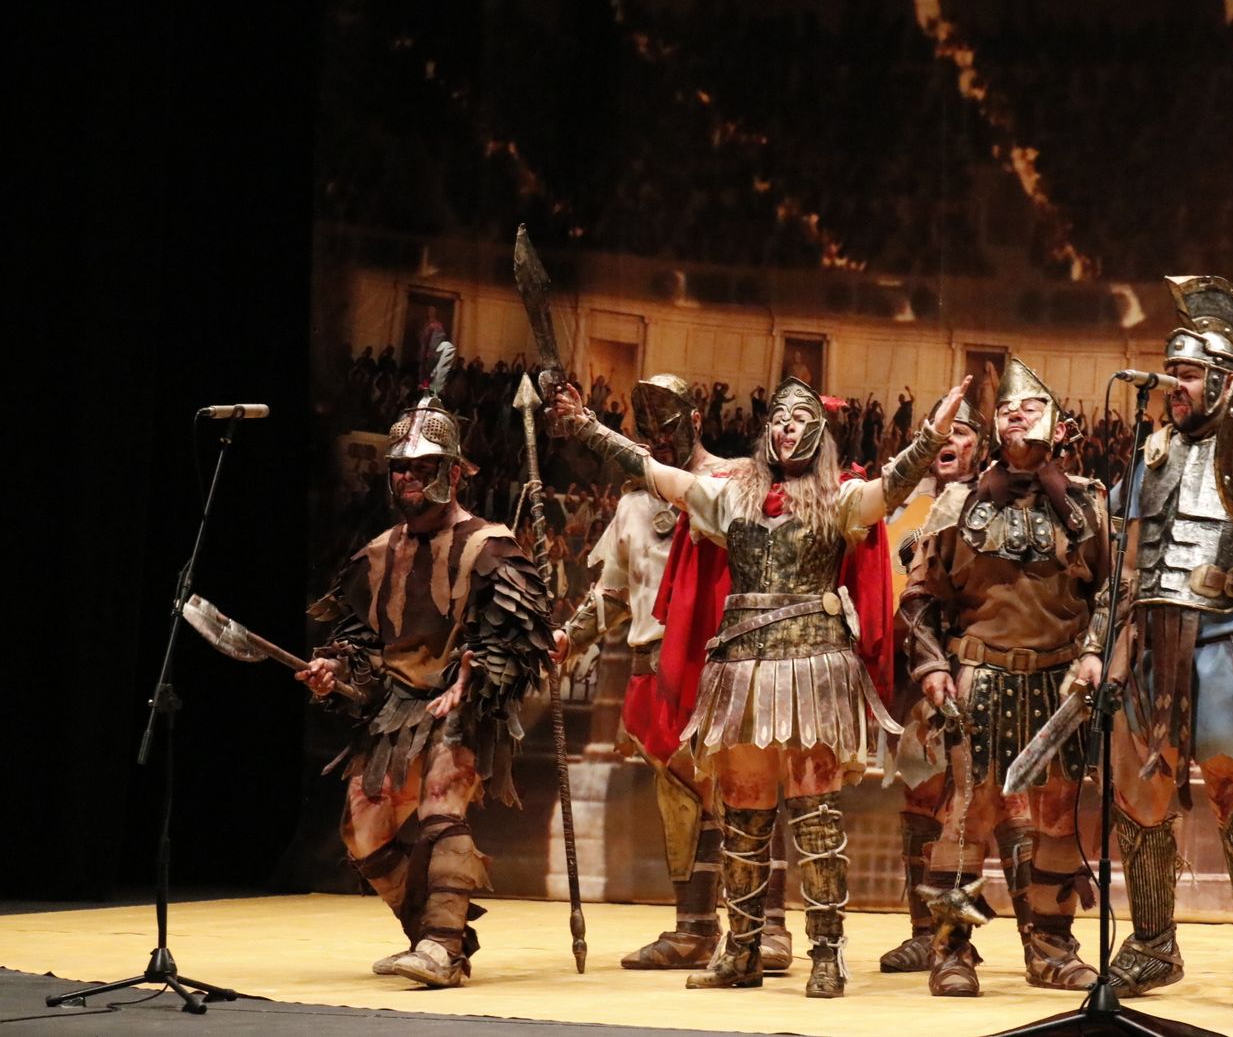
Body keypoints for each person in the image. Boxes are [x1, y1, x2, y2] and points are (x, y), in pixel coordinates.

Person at [551, 372, 971, 997]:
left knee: (815, 817)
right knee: (744, 817)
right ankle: (742, 951)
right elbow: (652, 471)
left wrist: (931, 433)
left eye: (798, 420)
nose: (785, 427)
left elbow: (893, 486)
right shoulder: (729, 497)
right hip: (742, 672)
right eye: (778, 419)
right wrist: (588, 428)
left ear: (819, 433)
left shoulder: (841, 500)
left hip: (814, 672)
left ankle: (825, 955)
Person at [297, 397, 552, 988]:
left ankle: (441, 946)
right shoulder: (378, 553)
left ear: (454, 473)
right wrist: (336, 667)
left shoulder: (488, 546)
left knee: (441, 804)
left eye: (423, 467)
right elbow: (362, 641)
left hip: (464, 702)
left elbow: (519, 637)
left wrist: (473, 676)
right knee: (363, 831)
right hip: (399, 710)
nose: (408, 477)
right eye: (400, 468)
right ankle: (438, 938)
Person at [550, 374, 793, 973]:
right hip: (654, 670)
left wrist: (587, 427)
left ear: (694, 422)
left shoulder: (737, 479)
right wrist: (569, 635)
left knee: (746, 790)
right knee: (683, 800)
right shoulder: (633, 503)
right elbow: (613, 593)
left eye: (668, 428)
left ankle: (768, 927)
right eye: (648, 432)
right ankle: (694, 929)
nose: (658, 440)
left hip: (723, 661)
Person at [1105, 276, 1233, 1012]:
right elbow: (1127, 563)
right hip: (1151, 645)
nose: (1171, 386)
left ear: (1221, 379)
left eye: (1186, 373)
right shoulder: (1152, 455)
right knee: (1141, 799)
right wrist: (1104, 647)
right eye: (1170, 371)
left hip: (1226, 642)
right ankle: (1153, 945)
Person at [900, 360, 1110, 995]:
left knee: (1058, 817)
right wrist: (933, 667)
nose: (1017, 415)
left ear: (1060, 426)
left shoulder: (1088, 501)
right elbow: (919, 598)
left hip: (1061, 685)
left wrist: (1094, 651)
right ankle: (950, 950)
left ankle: (1051, 948)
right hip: (980, 678)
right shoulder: (958, 502)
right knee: (969, 813)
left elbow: (1110, 592)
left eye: (1032, 407)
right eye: (1008, 409)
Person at [877, 396, 987, 975]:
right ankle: (927, 933)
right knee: (921, 796)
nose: (949, 440)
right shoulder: (900, 508)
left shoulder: (994, 503)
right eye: (941, 431)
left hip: (983, 669)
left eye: (962, 431)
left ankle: (1039, 939)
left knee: (1003, 802)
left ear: (981, 447)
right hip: (918, 678)